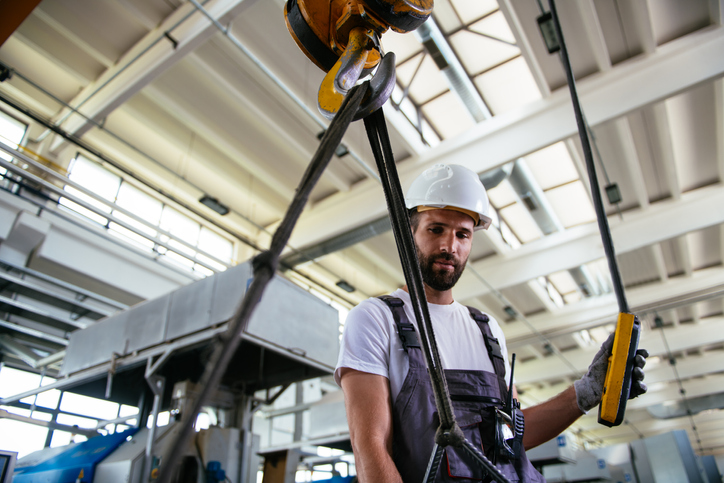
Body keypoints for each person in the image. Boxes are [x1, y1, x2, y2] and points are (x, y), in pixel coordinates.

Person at [335, 163, 647, 482]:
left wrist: (586, 392)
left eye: (462, 234)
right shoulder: (376, 317)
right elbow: (370, 447)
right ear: (409, 231)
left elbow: (511, 438)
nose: (449, 246)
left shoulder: (488, 329)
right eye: (436, 229)